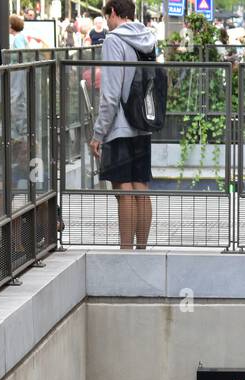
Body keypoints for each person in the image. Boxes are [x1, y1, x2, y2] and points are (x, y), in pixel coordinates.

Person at [90, 0, 157, 251]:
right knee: (141, 186)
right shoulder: (148, 39)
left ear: (114, 13)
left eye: (106, 16)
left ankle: (126, 251)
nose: (106, 22)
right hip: (142, 122)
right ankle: (141, 250)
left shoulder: (113, 41)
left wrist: (98, 133)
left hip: (118, 125)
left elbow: (110, 93)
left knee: (123, 190)